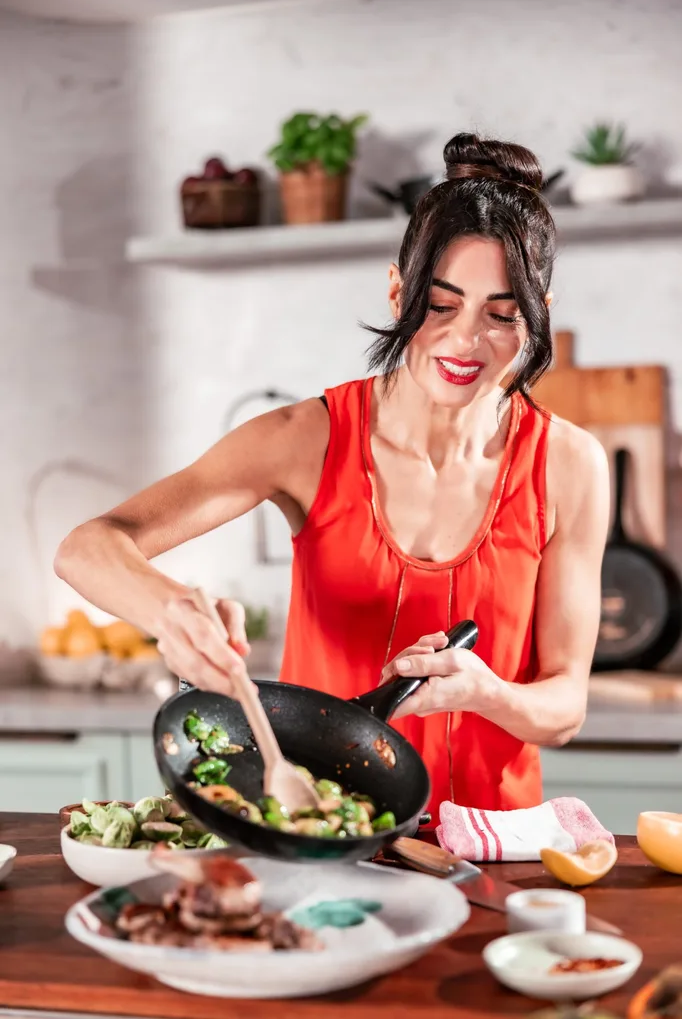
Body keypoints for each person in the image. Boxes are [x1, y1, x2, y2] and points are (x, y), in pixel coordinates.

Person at [55, 133, 610, 821]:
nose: (466, 341)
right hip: (321, 834)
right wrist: (167, 609)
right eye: (440, 306)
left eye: (500, 315)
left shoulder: (569, 464)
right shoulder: (307, 440)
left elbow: (564, 707)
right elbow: (86, 547)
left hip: (492, 851)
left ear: (539, 313)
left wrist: (486, 691)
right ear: (399, 290)